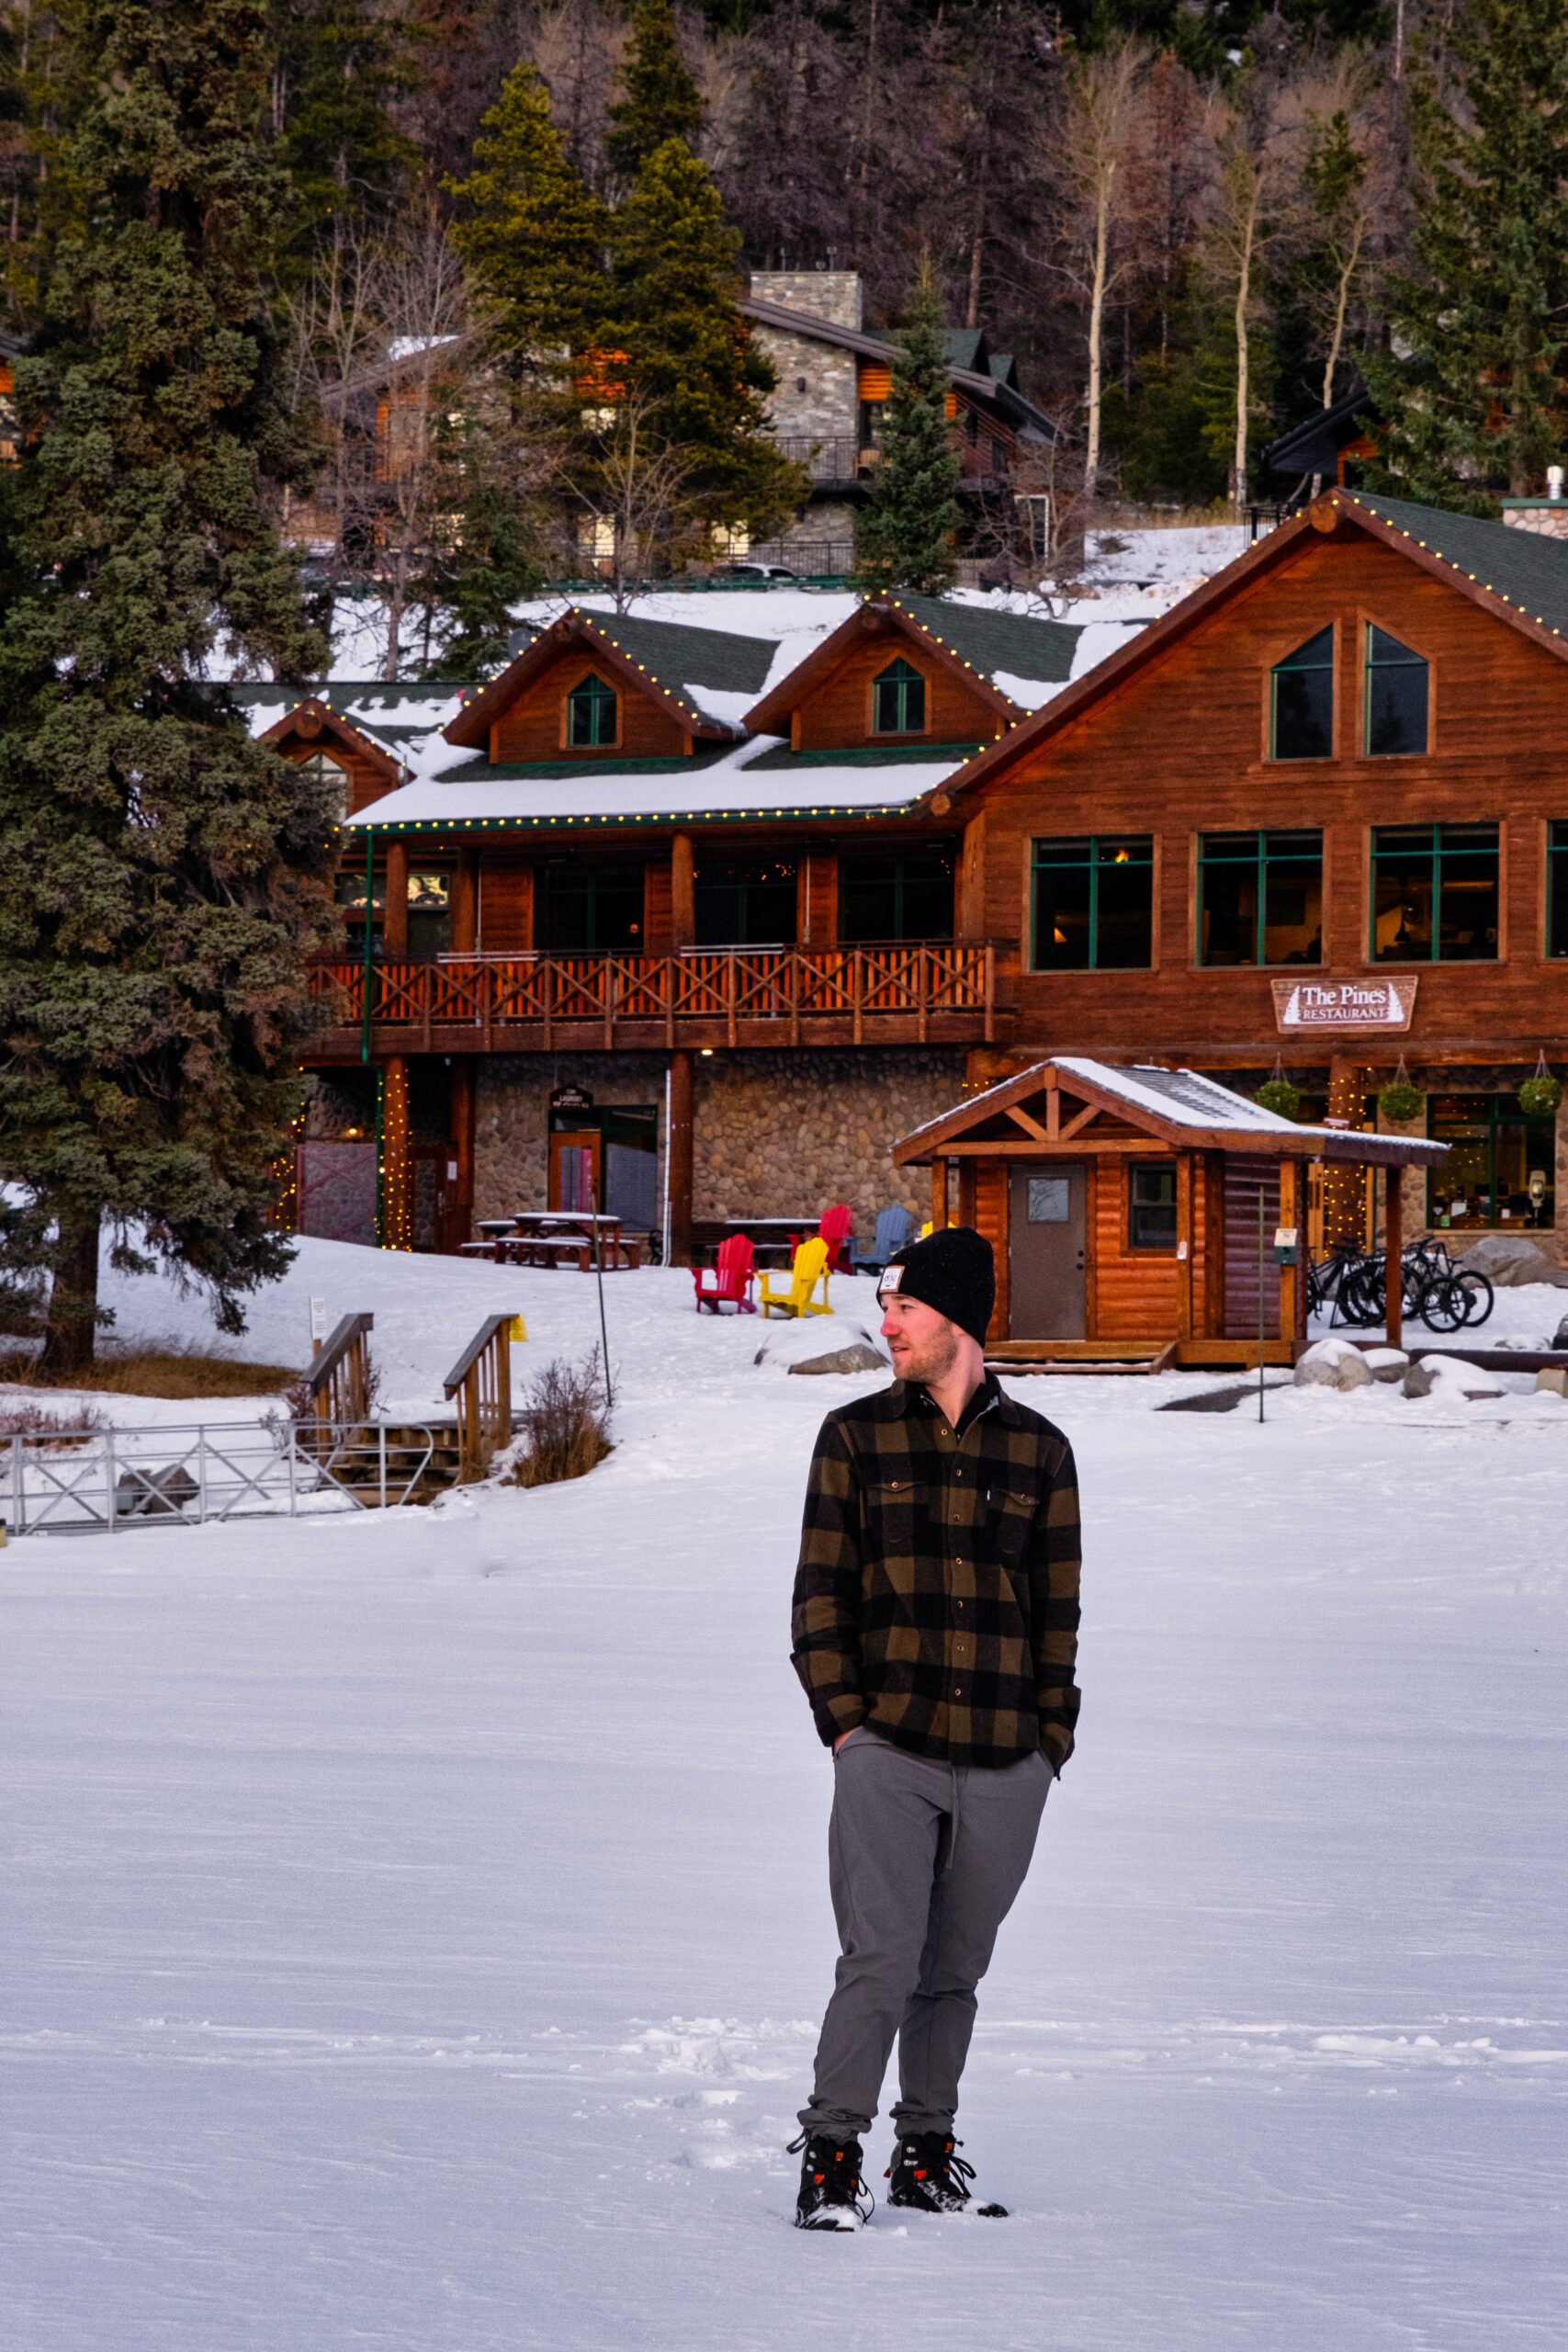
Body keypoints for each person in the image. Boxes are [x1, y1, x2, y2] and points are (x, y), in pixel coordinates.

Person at [786, 1225, 1081, 2232]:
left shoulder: (1040, 1449)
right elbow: (818, 1594)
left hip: (1008, 1757)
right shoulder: (855, 1436)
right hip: (889, 1748)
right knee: (881, 1956)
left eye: (904, 1307)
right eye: (888, 1307)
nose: (887, 1323)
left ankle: (926, 2153)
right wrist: (845, 1727)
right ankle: (831, 2157)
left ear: (957, 1317)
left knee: (954, 1969)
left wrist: (1052, 1738)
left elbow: (1058, 1610)